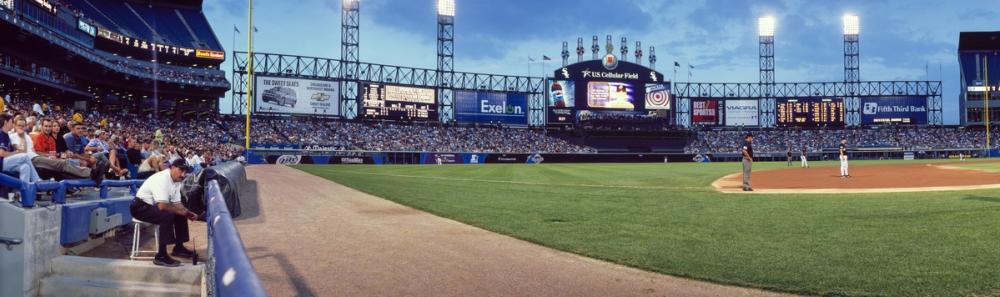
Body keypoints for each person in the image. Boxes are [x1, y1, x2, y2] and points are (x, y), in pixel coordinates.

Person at [130, 159, 197, 267]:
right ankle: (161, 256)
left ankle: (179, 247)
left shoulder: (176, 181)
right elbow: (162, 206)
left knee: (180, 213)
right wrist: (182, 212)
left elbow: (177, 203)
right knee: (167, 214)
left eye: (186, 171)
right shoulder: (162, 178)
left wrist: (188, 213)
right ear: (172, 167)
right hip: (139, 208)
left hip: (151, 206)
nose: (183, 174)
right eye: (181, 170)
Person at [0, 114, 41, 184]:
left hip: (7, 163)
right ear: (5, 122)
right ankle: (37, 180)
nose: (12, 124)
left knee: (25, 167)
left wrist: (21, 137)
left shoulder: (6, 135)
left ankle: (22, 192)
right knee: (24, 156)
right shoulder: (1, 134)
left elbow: (22, 150)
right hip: (1, 163)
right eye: (11, 122)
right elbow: (1, 153)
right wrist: (16, 152)